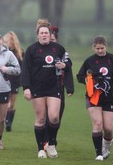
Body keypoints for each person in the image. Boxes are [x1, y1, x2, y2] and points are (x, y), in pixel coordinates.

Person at [21, 19, 71, 159]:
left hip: (54, 87)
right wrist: (26, 88)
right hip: (37, 89)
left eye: (46, 33)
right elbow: (25, 70)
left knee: (54, 117)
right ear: (37, 35)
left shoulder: (58, 48)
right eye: (41, 33)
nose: (44, 35)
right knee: (41, 119)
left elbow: (68, 63)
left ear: (50, 34)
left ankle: (51, 143)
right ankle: (40, 149)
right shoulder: (31, 50)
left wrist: (64, 66)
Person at [76, 35, 113, 161]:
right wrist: (88, 81)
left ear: (106, 46)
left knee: (108, 129)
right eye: (97, 48)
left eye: (102, 48)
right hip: (93, 98)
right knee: (98, 124)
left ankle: (106, 147)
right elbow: (79, 76)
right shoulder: (89, 61)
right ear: (93, 48)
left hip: (109, 98)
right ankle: (98, 153)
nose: (100, 51)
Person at [44, 26, 74, 148]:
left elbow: (69, 65)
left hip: (58, 87)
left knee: (56, 116)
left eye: (53, 40)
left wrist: (69, 87)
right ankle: (46, 141)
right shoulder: (40, 51)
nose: (51, 42)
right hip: (43, 88)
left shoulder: (60, 51)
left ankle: (52, 139)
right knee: (45, 116)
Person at [2, 31, 24, 132]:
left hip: (15, 81)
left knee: (11, 104)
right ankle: (6, 121)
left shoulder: (20, 53)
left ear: (12, 41)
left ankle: (9, 122)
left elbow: (22, 68)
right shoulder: (2, 52)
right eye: (4, 41)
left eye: (7, 41)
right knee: (6, 102)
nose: (5, 43)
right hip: (4, 81)